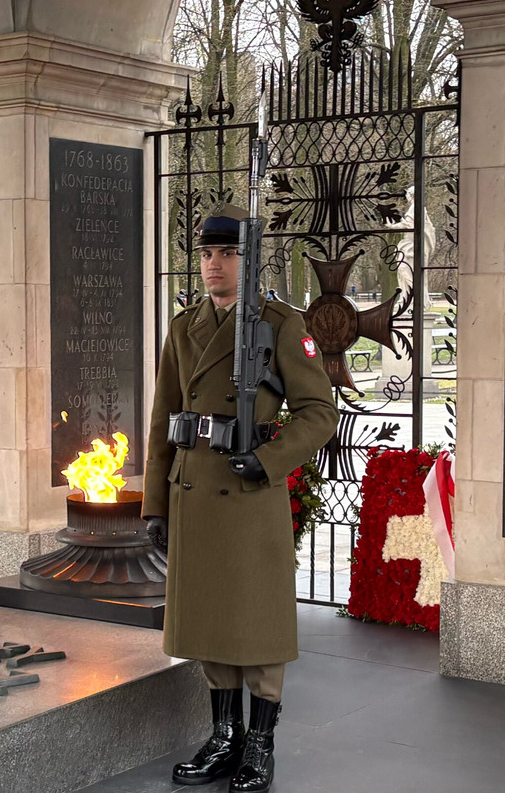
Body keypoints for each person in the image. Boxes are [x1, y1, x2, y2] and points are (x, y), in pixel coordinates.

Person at [142, 204, 338, 792]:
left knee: (256, 622)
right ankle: (224, 738)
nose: (213, 265)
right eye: (206, 254)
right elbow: (162, 421)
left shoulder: (281, 324)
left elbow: (318, 413)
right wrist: (155, 503)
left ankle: (259, 743)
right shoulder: (184, 328)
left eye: (227, 254)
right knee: (208, 620)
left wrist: (268, 460)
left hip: (249, 491)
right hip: (196, 489)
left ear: (248, 261)